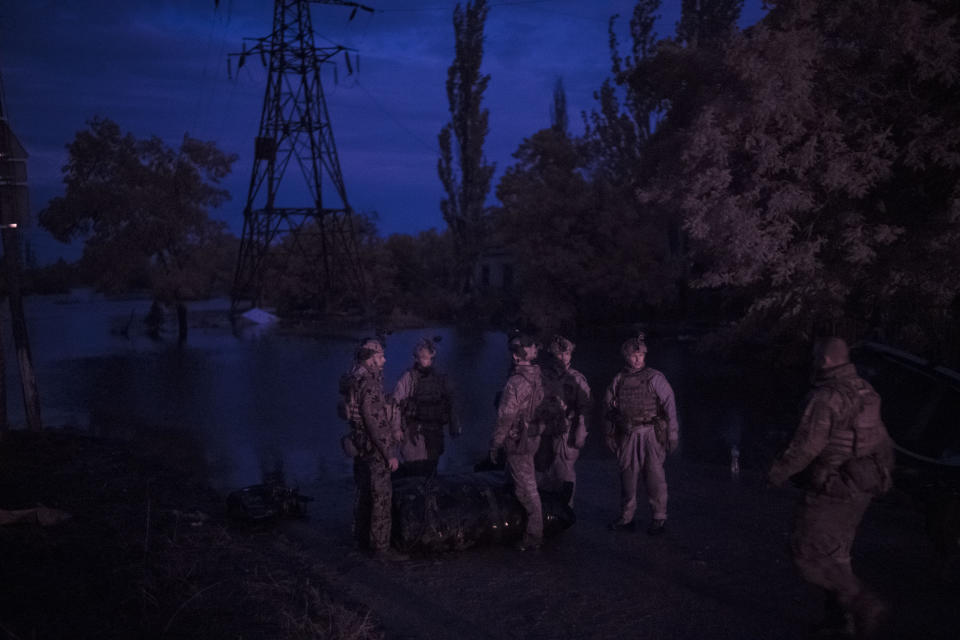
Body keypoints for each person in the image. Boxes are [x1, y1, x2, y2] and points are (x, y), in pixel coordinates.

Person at [767, 337, 894, 638]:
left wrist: (776, 473)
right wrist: (885, 475)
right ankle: (840, 621)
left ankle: (865, 604)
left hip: (833, 487)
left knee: (807, 552)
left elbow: (805, 447)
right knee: (836, 552)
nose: (811, 362)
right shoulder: (866, 390)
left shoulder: (826, 397)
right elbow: (882, 439)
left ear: (823, 361)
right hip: (861, 483)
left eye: (814, 358)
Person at [603, 333, 679, 535]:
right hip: (628, 434)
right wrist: (610, 434)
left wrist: (672, 435)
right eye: (633, 355)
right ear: (626, 357)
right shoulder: (619, 380)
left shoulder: (655, 378)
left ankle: (659, 518)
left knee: (655, 477)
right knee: (627, 477)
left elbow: (670, 407)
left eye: (640, 355)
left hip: (651, 433)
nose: (637, 359)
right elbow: (609, 409)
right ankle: (627, 518)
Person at [342, 337, 406, 561]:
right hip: (373, 448)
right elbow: (376, 423)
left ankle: (360, 539)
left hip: (359, 444)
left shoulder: (353, 378)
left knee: (363, 492)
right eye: (380, 356)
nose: (384, 360)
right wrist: (390, 453)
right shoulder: (368, 385)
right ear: (370, 359)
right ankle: (381, 547)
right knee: (381, 496)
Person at [489, 334, 545, 551]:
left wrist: (495, 444)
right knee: (521, 481)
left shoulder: (516, 382)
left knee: (526, 488)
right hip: (532, 436)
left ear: (514, 356)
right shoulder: (538, 376)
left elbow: (505, 417)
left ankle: (534, 535)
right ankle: (519, 526)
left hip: (518, 440)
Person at [537, 334, 591, 508]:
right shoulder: (542, 376)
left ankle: (567, 509)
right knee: (542, 468)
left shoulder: (577, 378)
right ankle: (546, 508)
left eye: (566, 353)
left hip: (566, 430)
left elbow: (585, 406)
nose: (563, 357)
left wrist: (581, 429)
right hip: (544, 429)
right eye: (559, 354)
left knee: (564, 470)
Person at [393, 337, 461, 475]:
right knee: (414, 468)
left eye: (428, 357)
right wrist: (396, 428)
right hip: (414, 431)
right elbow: (396, 403)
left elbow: (451, 401)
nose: (425, 360)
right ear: (416, 358)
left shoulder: (440, 378)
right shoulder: (409, 378)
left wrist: (454, 426)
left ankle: (430, 494)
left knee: (431, 467)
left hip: (434, 431)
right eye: (422, 357)